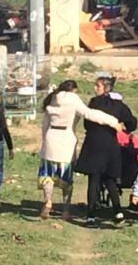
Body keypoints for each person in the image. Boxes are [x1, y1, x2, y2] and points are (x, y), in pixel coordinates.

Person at [39, 80, 124, 221]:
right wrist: (113, 121)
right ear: (73, 90)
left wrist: (44, 141)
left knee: (48, 175)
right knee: (66, 178)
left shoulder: (52, 98)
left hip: (50, 139)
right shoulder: (73, 100)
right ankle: (66, 211)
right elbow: (90, 114)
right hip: (66, 140)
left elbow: (45, 124)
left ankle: (48, 201)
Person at [74, 76, 137, 225]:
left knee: (93, 180)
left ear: (106, 88)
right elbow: (132, 123)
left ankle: (91, 215)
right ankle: (118, 211)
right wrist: (124, 127)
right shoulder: (118, 105)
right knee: (110, 180)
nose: (95, 88)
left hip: (94, 144)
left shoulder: (93, 103)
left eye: (98, 86)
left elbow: (87, 124)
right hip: (110, 145)